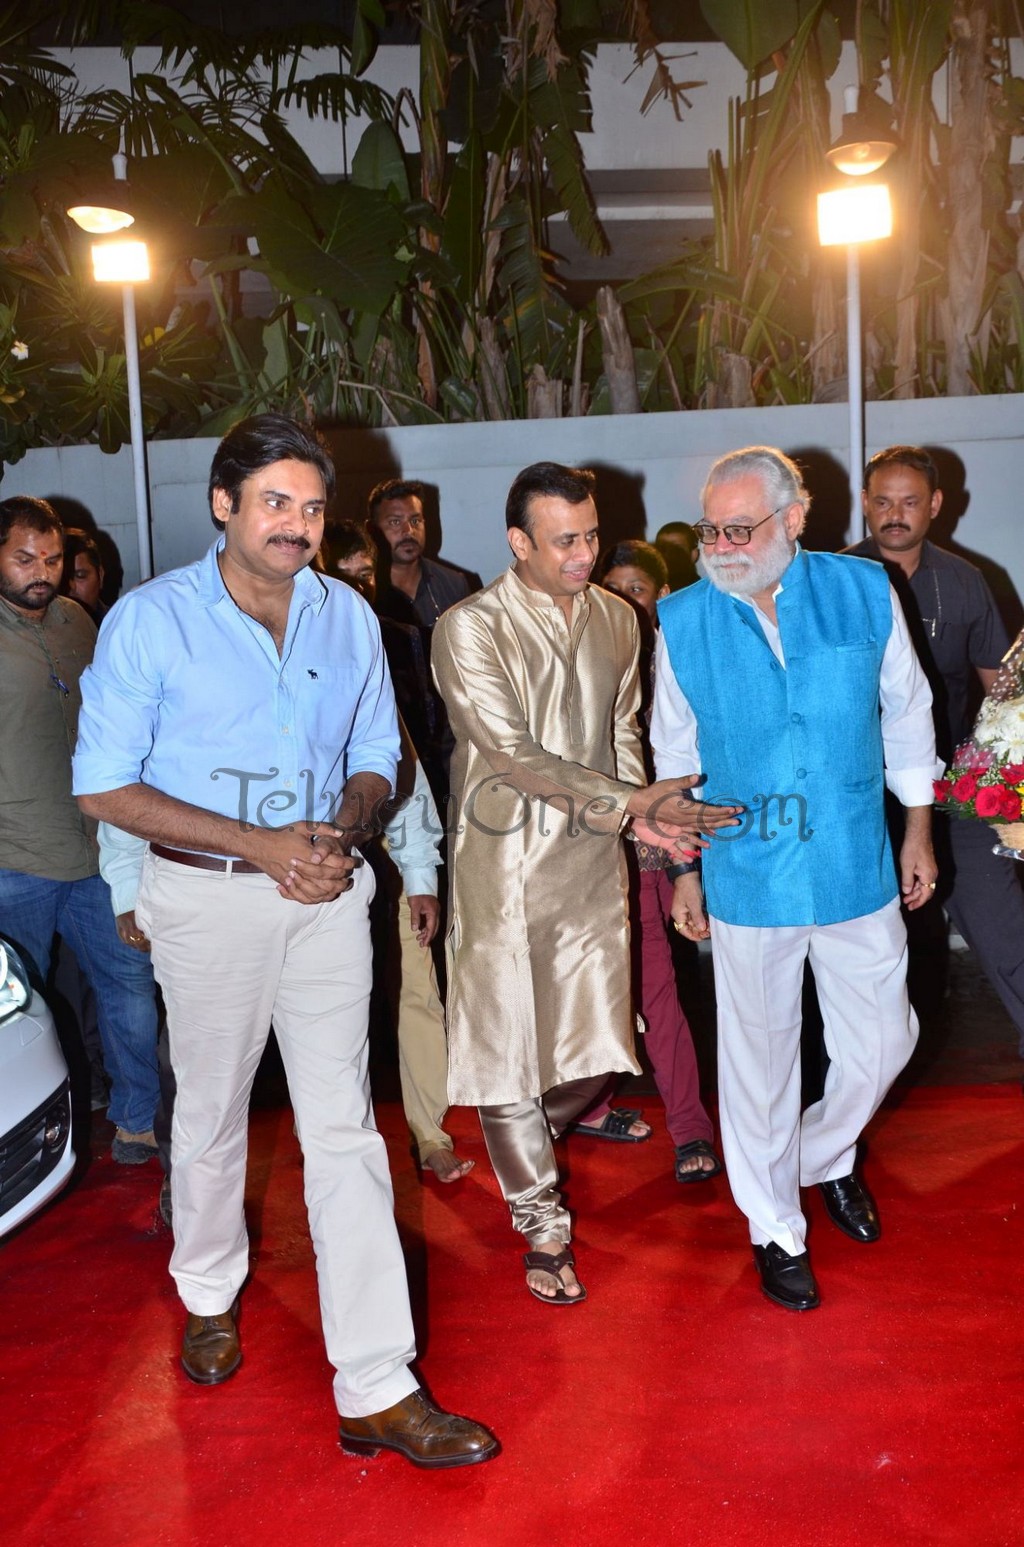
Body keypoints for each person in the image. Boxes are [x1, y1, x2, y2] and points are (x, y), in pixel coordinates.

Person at [71, 415, 496, 1468]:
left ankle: (376, 1382)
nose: (296, 525)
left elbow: (378, 752)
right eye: (274, 502)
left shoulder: (347, 614)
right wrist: (261, 844)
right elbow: (104, 785)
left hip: (326, 894)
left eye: (311, 507)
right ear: (224, 503)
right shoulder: (150, 620)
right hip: (205, 898)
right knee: (213, 1112)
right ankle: (208, 1289)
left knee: (346, 1127)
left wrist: (339, 833)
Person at [431, 461, 740, 1305]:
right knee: (508, 1056)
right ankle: (543, 1225)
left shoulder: (617, 618)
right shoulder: (469, 627)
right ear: (518, 541)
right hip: (504, 870)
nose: (583, 554)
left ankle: (525, 1132)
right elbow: (511, 754)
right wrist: (630, 805)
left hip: (596, 866)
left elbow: (623, 732)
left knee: (597, 1049)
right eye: (564, 540)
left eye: (592, 536)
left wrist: (648, 823)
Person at [651, 446, 938, 1312]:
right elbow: (674, 755)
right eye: (710, 529)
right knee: (759, 1063)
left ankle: (823, 1156)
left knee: (885, 1041)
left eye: (740, 529)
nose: (721, 547)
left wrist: (918, 829)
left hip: (855, 860)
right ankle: (775, 1225)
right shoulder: (682, 618)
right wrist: (684, 870)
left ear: (795, 518)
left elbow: (908, 711)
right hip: (746, 869)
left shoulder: (864, 589)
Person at [0, 495, 161, 1164]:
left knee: (131, 988)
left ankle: (138, 1120)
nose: (42, 571)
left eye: (53, 558)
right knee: (16, 1017)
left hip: (99, 853)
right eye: (24, 558)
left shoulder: (78, 620)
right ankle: (22, 1144)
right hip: (15, 860)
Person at [847, 445, 1024, 1051]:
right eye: (883, 501)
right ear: (865, 503)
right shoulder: (832, 579)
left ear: (936, 505)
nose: (895, 514)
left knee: (1006, 930)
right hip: (861, 795)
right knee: (862, 954)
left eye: (910, 502)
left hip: (953, 792)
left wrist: (1003, 790)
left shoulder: (966, 581)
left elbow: (1004, 696)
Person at [321, 521, 472, 1182]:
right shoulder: (275, 643)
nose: (357, 588)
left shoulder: (397, 643)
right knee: (327, 1006)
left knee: (418, 986)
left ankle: (429, 1130)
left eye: (366, 575)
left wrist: (420, 875)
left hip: (389, 840)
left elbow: (407, 764)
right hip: (302, 851)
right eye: (344, 575)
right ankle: (333, 1141)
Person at [578, 539, 721, 1181]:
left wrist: (684, 863)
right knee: (614, 990)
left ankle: (690, 1128)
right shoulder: (590, 660)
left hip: (671, 848)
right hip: (606, 852)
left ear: (662, 595)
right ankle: (599, 1107)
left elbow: (688, 769)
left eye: (635, 589)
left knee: (659, 990)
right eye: (612, 590)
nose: (624, 602)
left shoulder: (685, 658)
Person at [367, 479, 470, 630]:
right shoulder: (362, 588)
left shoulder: (453, 585)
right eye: (395, 522)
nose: (409, 531)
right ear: (372, 529)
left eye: (415, 521)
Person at [61, 528, 107, 623]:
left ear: (100, 575)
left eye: (80, 576)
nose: (71, 587)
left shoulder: (120, 624)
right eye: (62, 578)